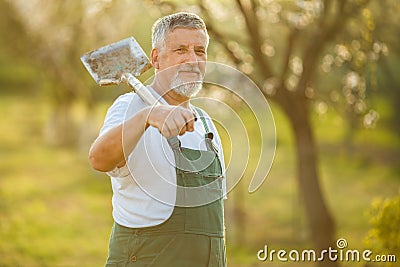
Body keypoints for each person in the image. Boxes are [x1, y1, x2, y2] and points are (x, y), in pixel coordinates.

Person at [89, 12, 227, 266]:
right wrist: (147, 117)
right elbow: (99, 159)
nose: (192, 60)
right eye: (180, 50)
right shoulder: (130, 106)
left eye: (200, 50)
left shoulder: (205, 124)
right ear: (156, 58)